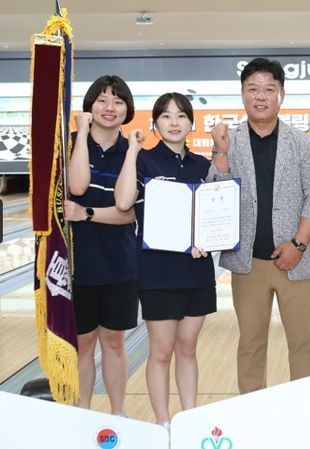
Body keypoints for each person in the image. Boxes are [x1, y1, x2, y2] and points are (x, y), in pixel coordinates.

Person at [208, 58, 310, 393]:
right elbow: (216, 193)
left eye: (268, 89)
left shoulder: (300, 142)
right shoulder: (229, 140)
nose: (260, 96)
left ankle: (304, 408)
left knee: (304, 343)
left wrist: (298, 245)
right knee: (250, 343)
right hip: (247, 264)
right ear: (243, 95)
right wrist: (220, 153)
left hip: (295, 261)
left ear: (281, 95)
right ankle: (251, 411)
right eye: (253, 89)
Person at [114, 92, 217, 428]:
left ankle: (188, 418)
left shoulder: (203, 166)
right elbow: (124, 202)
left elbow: (214, 216)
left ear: (191, 123)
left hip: (196, 270)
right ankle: (163, 422)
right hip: (157, 271)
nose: (174, 122)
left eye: (181, 116)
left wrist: (208, 239)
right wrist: (132, 152)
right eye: (166, 116)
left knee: (187, 348)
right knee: (161, 351)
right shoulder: (144, 160)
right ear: (155, 123)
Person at [65, 75, 137, 416]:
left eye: (118, 101)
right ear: (90, 105)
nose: (110, 108)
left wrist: (87, 214)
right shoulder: (69, 145)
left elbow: (129, 212)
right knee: (82, 343)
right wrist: (80, 134)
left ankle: (118, 413)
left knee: (114, 341)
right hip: (76, 264)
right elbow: (77, 186)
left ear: (127, 109)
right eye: (102, 100)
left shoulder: (132, 152)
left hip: (119, 262)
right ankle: (83, 411)